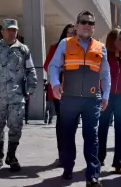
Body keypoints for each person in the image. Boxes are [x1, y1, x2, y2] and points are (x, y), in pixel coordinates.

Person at [48, 10, 110, 186]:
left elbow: (105, 73)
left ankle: (92, 174)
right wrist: (54, 83)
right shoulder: (65, 43)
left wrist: (105, 95)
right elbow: (54, 66)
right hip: (69, 98)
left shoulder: (100, 47)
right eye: (83, 22)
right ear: (76, 26)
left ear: (94, 27)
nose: (87, 25)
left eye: (90, 23)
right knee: (67, 134)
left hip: (92, 99)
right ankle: (68, 167)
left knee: (92, 136)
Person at [0, 19, 37, 172]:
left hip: (16, 96)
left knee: (16, 127)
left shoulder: (23, 49)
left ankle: (11, 156)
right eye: (8, 29)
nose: (11, 32)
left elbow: (31, 70)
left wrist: (30, 89)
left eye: (14, 30)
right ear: (2, 31)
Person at [98, 28, 121, 175]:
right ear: (113, 40)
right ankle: (99, 159)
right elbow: (100, 75)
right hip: (107, 95)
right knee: (102, 128)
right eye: (120, 39)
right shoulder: (105, 56)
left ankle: (119, 163)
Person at [43, 23, 76, 165]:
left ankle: (69, 151)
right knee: (62, 121)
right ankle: (62, 153)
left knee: (72, 123)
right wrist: (61, 69)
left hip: (75, 90)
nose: (71, 35)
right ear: (64, 33)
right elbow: (47, 65)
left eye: (73, 33)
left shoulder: (79, 48)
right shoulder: (55, 47)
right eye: (68, 32)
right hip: (59, 90)